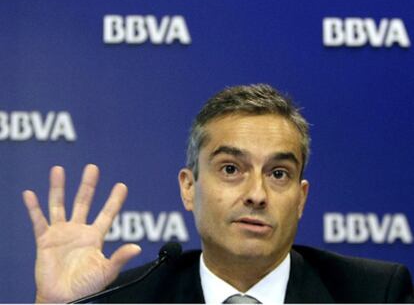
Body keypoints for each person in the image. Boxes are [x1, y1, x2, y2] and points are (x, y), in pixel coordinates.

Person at [23, 84, 413, 303]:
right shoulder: (129, 298)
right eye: (231, 169)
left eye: (279, 173)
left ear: (301, 198)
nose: (256, 194)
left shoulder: (374, 293)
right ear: (189, 188)